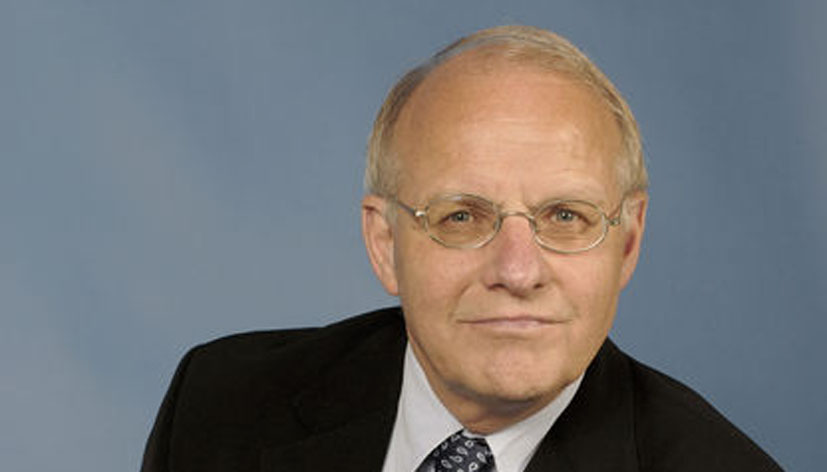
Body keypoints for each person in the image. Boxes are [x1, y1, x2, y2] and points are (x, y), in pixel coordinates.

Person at [141, 25, 782, 472]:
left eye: (566, 216)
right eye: (462, 217)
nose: (518, 270)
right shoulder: (221, 406)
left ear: (628, 243)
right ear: (385, 244)